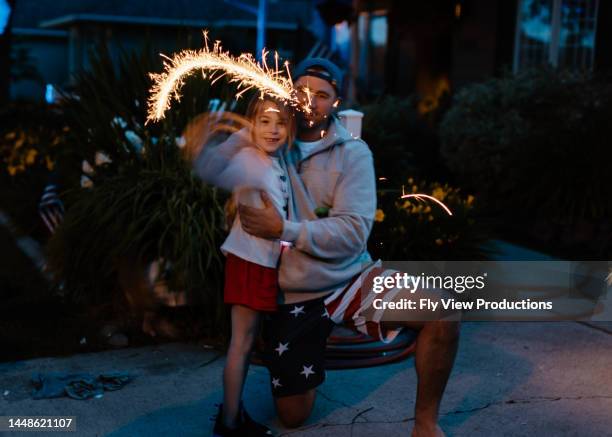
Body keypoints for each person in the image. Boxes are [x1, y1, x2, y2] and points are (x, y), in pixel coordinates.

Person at [237, 58, 460, 437]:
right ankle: (308, 361)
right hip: (293, 294)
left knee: (442, 311)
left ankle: (425, 424)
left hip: (352, 278)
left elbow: (354, 232)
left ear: (336, 103)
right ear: (291, 97)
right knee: (292, 417)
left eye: (322, 95)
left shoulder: (354, 153)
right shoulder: (270, 144)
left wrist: (284, 228)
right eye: (303, 93)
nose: (312, 101)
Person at [194, 96, 295, 437]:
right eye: (264, 121)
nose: (273, 129)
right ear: (252, 125)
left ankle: (232, 411)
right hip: (249, 262)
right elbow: (209, 169)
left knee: (248, 342)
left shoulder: (275, 161)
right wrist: (223, 140)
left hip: (260, 263)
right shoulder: (251, 160)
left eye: (280, 122)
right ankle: (230, 421)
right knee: (242, 342)